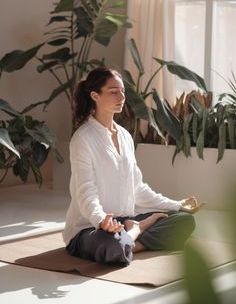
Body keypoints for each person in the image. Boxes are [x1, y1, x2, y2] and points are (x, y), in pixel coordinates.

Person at [63, 66, 202, 266]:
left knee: (184, 221)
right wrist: (102, 220)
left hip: (124, 221)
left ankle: (128, 240)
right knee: (111, 246)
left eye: (122, 91)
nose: (121, 96)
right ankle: (137, 231)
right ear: (95, 95)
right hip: (91, 227)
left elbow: (138, 187)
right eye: (113, 92)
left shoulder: (125, 136)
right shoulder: (83, 139)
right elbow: (85, 192)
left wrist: (178, 205)